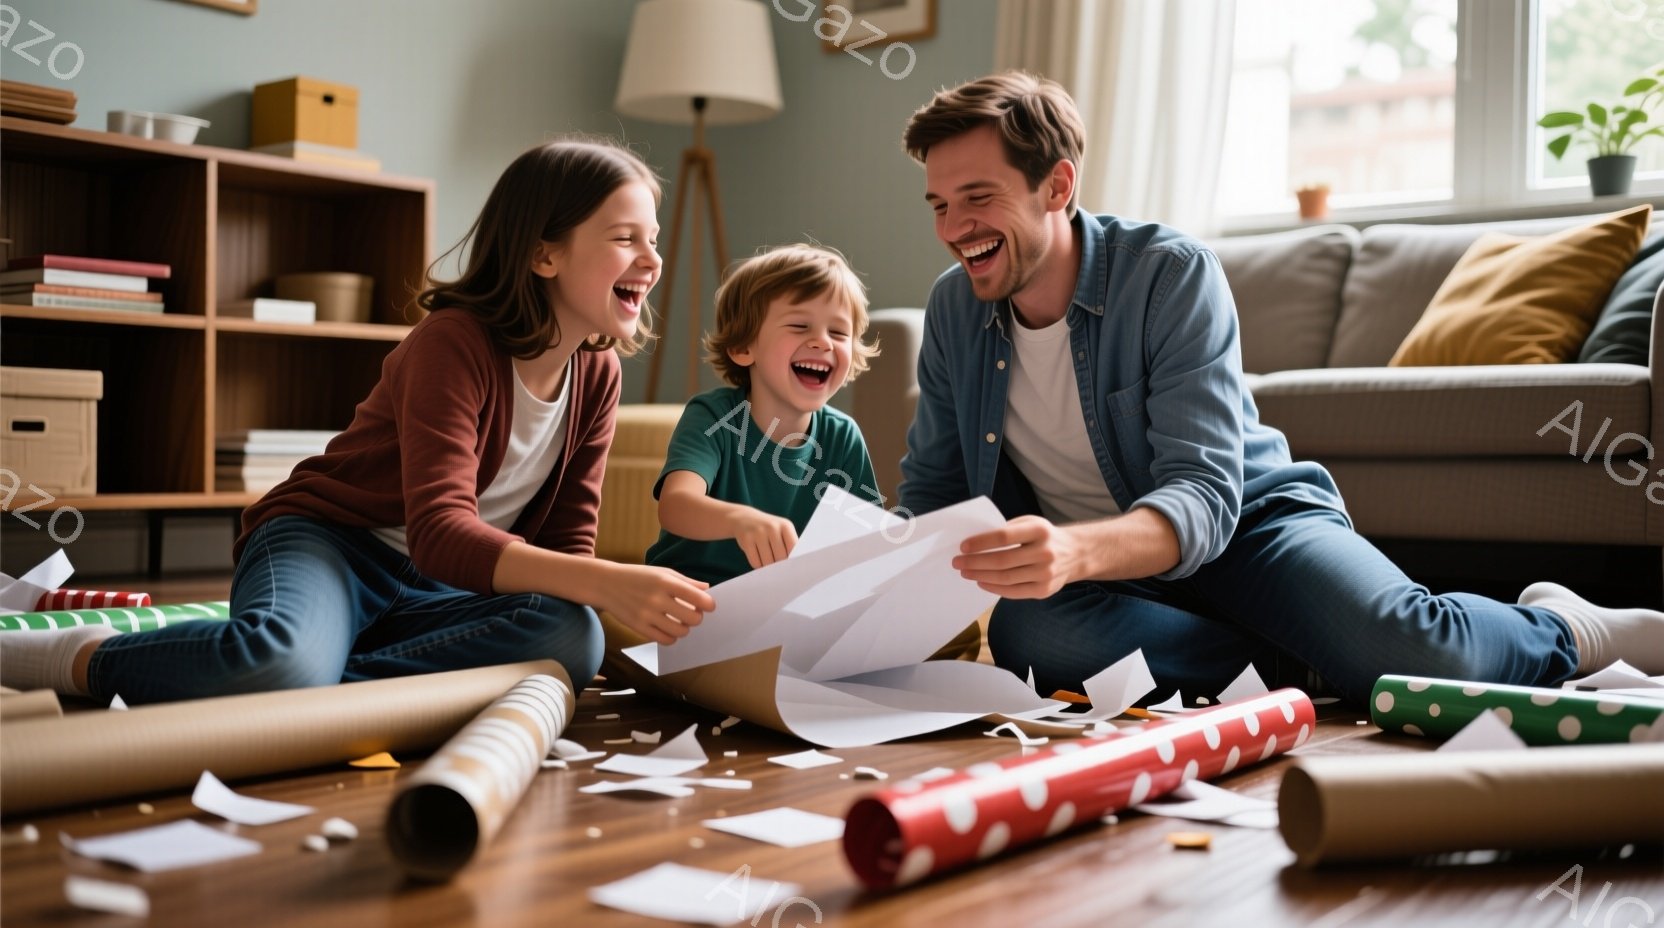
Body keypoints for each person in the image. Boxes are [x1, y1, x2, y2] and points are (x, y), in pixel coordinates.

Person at [897, 71, 1664, 703]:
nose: (954, 227)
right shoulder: (953, 309)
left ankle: (1564, 630)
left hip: (1250, 528)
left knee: (1418, 658)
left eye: (978, 197)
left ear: (1056, 185)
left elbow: (1201, 496)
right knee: (1032, 636)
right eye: (938, 205)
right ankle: (1317, 666)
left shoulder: (1168, 273)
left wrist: (1070, 551)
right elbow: (936, 491)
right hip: (1107, 572)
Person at [0, 138, 716, 704]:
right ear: (543, 252)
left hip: (438, 591)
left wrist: (616, 598)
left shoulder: (598, 375)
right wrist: (609, 581)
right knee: (279, 657)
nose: (652, 261)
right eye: (627, 238)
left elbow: (563, 546)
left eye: (653, 239)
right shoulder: (454, 342)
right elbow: (439, 533)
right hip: (330, 547)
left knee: (570, 633)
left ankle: (302, 675)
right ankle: (57, 654)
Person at [645, 244, 883, 583]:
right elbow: (676, 506)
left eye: (838, 332)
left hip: (785, 603)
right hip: (693, 593)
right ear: (743, 348)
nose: (823, 342)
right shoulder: (714, 416)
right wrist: (741, 521)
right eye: (800, 326)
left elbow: (865, 543)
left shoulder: (843, 436)